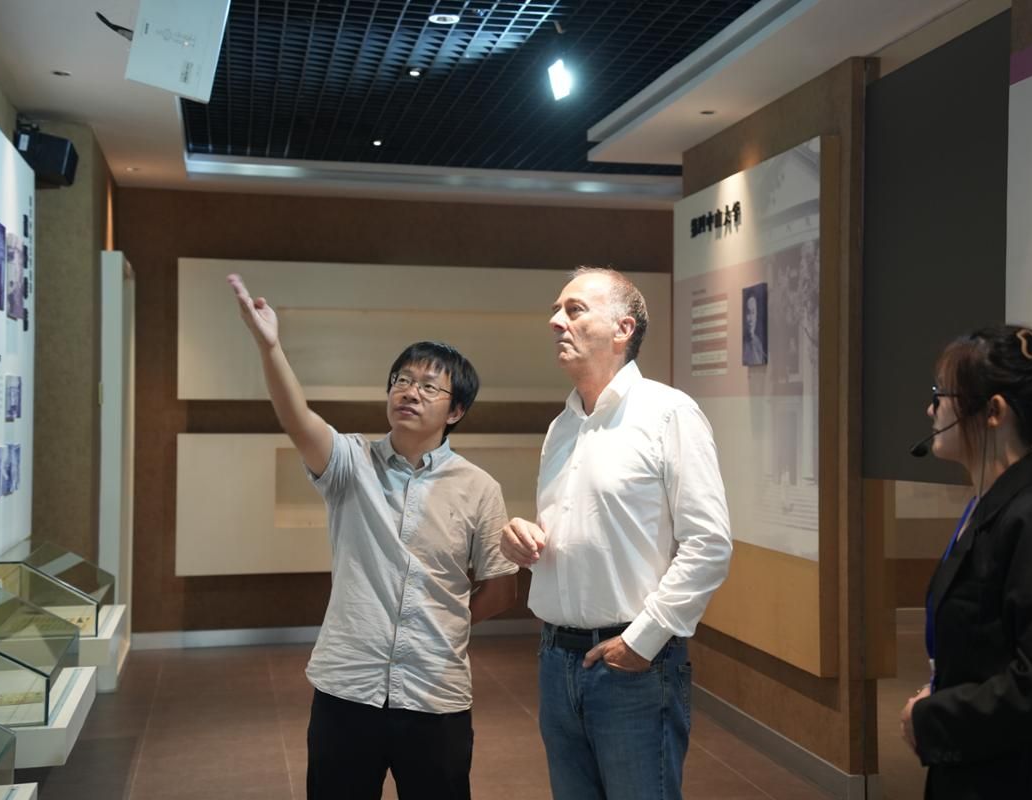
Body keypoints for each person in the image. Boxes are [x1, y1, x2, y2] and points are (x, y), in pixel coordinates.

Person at [227, 274, 518, 800]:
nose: (410, 392)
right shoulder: (350, 462)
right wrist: (270, 347)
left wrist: (447, 621)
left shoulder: (480, 488)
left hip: (435, 692)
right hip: (348, 687)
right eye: (401, 380)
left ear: (455, 411)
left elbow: (501, 589)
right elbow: (297, 419)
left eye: (429, 386)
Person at [500, 266, 732, 800]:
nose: (556, 322)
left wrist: (641, 642)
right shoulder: (562, 427)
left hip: (633, 664)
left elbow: (709, 544)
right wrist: (524, 540)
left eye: (574, 310)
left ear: (623, 328)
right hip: (555, 659)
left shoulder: (669, 413)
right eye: (556, 311)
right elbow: (583, 531)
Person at [900, 324, 1032, 800]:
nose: (931, 409)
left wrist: (933, 718)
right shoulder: (992, 506)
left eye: (941, 395)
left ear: (993, 411)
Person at [742, 292, 766, 365]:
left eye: (753, 312)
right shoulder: (742, 345)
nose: (751, 319)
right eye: (748, 313)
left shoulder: (758, 343)